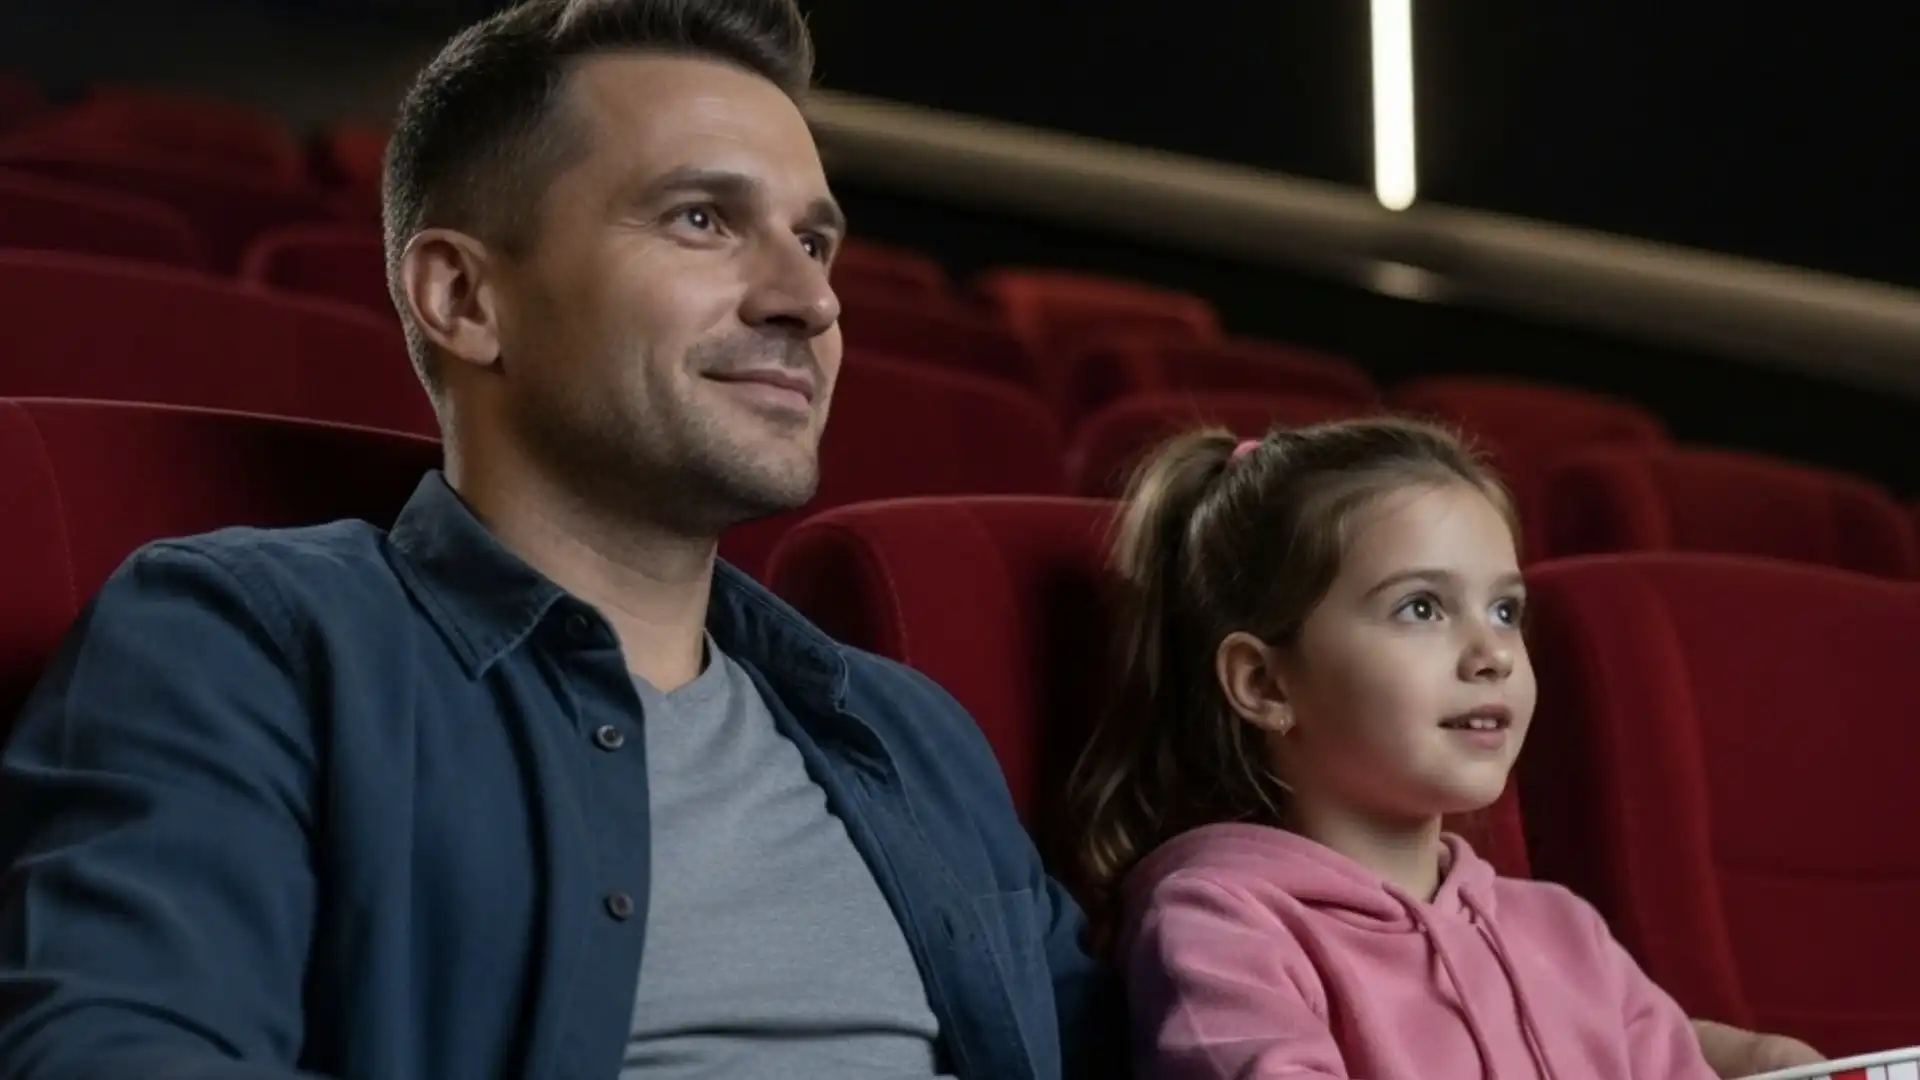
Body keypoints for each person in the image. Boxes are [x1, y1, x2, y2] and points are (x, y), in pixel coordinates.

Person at [0, 1, 1117, 1078]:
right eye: (702, 219)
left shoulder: (910, 731)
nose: (808, 300)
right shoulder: (246, 644)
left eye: (815, 244)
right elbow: (120, 1054)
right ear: (464, 297)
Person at [1064, 419, 1823, 1080]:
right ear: (1264, 683)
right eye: (1421, 607)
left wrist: (1756, 1066)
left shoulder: (1563, 931)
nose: (1491, 652)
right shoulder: (1221, 924)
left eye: (1505, 609)